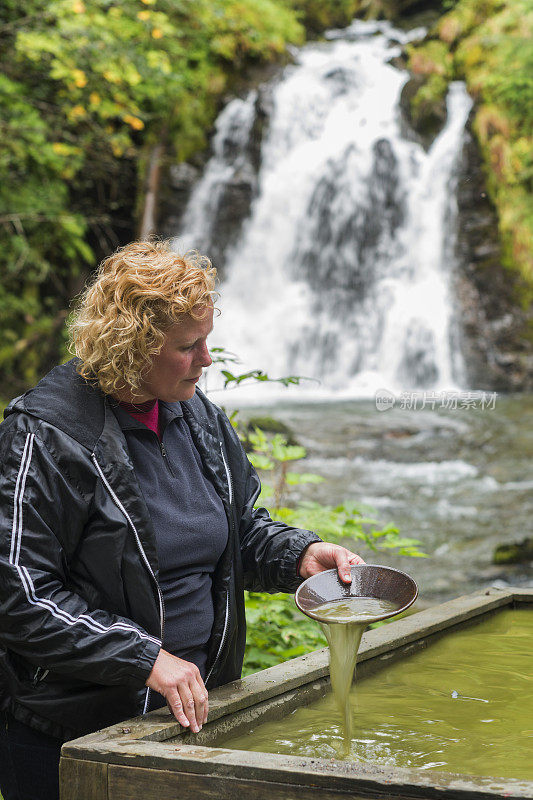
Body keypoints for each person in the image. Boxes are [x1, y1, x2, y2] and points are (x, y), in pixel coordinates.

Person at [0, 240, 364, 800]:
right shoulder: (46, 435)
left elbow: (236, 530)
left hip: (192, 722)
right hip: (73, 736)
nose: (207, 360)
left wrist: (298, 555)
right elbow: (19, 596)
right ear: (131, 347)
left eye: (207, 341)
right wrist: (143, 657)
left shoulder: (197, 415)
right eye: (189, 346)